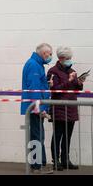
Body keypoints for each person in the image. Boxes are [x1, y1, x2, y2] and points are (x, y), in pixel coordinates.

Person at [47, 46, 84, 171]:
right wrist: (69, 80)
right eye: (68, 58)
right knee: (57, 136)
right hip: (59, 108)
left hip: (71, 108)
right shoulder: (53, 71)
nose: (70, 60)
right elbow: (55, 90)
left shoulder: (72, 70)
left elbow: (77, 90)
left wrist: (79, 82)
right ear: (61, 58)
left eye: (71, 58)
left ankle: (65, 160)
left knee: (68, 136)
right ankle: (55, 161)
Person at [20, 43, 54, 174]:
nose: (50, 56)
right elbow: (34, 88)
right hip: (35, 107)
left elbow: (37, 85)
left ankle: (39, 163)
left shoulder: (37, 64)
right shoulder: (34, 65)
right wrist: (39, 108)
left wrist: (46, 83)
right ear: (43, 53)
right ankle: (36, 166)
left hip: (36, 105)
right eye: (49, 54)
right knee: (36, 135)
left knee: (38, 134)